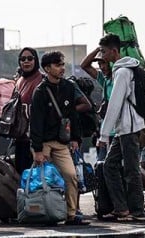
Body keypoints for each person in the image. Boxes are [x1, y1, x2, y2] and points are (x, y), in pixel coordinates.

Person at [29, 51, 88, 226]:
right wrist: (37, 149)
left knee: (71, 175)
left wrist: (75, 138)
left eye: (62, 64)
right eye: (57, 65)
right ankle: (44, 212)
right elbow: (36, 122)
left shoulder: (69, 87)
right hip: (44, 143)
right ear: (47, 68)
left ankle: (71, 214)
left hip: (62, 142)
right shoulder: (40, 92)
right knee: (44, 181)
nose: (62, 68)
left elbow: (72, 116)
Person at [96, 33, 145, 221]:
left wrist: (103, 134)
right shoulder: (121, 70)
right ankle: (122, 208)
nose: (102, 55)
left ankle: (137, 211)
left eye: (103, 51)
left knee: (132, 170)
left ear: (114, 51)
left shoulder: (123, 72)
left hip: (129, 128)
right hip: (123, 128)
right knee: (110, 166)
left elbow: (115, 104)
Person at [12, 47, 42, 175]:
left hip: (38, 139)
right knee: (22, 176)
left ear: (36, 60)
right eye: (22, 59)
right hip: (21, 137)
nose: (26, 61)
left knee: (38, 178)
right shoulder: (19, 81)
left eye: (30, 58)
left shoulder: (42, 80)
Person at [80, 49, 113, 161]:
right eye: (99, 64)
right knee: (102, 166)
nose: (102, 67)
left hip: (119, 132)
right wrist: (99, 49)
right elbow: (84, 65)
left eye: (104, 63)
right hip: (106, 132)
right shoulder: (104, 80)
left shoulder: (119, 78)